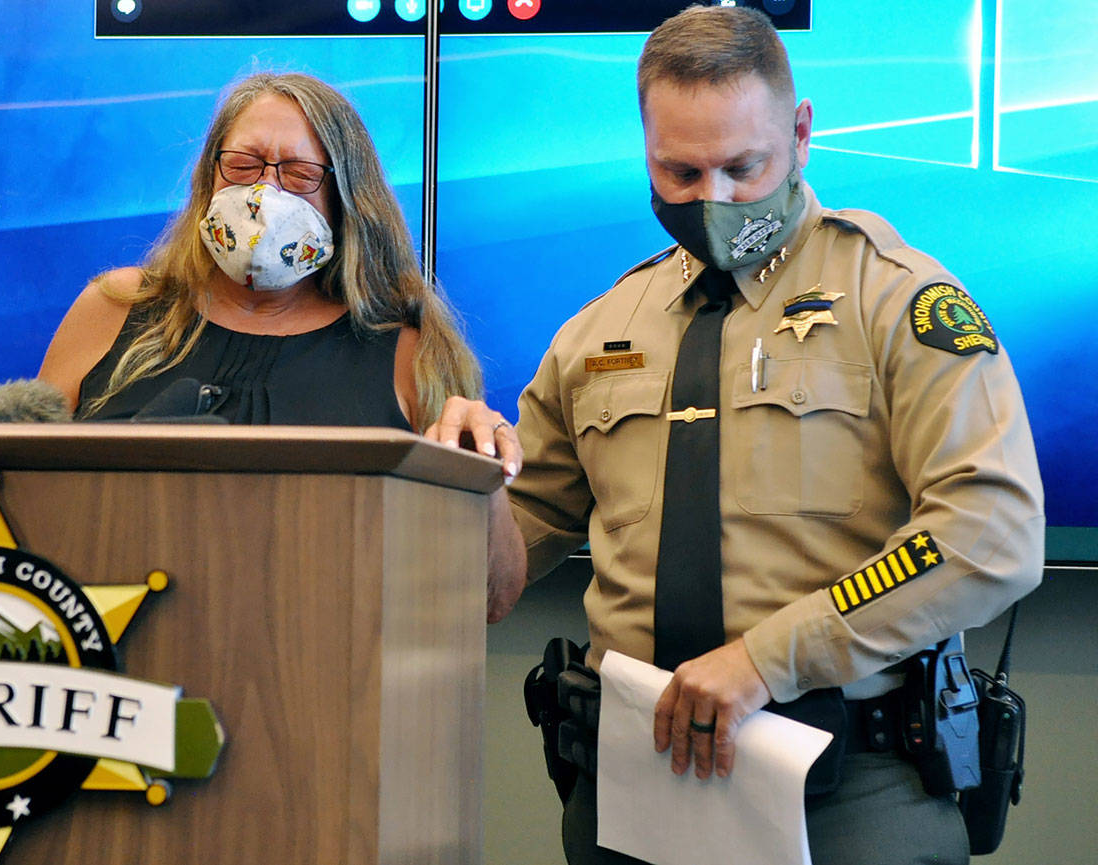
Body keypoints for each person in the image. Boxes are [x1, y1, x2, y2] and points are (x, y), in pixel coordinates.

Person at [433, 6, 1044, 863]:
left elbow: (991, 533)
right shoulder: (600, 330)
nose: (711, 200)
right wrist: (462, 477)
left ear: (799, 134)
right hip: (631, 792)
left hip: (851, 793)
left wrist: (766, 659)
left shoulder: (896, 301)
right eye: (678, 172)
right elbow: (489, 582)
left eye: (741, 168)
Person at [38, 71, 526, 621]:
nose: (262, 197)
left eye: (298, 174)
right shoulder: (117, 307)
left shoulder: (410, 352)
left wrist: (481, 479)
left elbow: (493, 599)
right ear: (208, 180)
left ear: (346, 197)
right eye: (243, 166)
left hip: (321, 674)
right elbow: (18, 495)